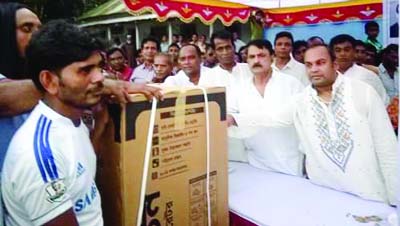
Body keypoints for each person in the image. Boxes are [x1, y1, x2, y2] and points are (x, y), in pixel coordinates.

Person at [229, 44, 397, 205]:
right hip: (324, 191)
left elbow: (387, 149)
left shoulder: (363, 92)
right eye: (308, 65)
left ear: (335, 64)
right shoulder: (302, 100)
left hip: (369, 192)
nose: (314, 69)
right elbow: (273, 117)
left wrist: (396, 199)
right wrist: (235, 119)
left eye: (321, 63)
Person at [2, 19, 105, 226]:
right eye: (85, 70)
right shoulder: (39, 156)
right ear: (49, 81)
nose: (99, 77)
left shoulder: (73, 121)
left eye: (99, 67)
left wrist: (101, 124)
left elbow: (79, 180)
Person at [227, 39, 305, 176]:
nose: (256, 60)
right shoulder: (239, 88)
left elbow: (283, 118)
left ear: (272, 58)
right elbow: (228, 119)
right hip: (254, 162)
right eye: (251, 57)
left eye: (261, 55)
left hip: (288, 163)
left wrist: (236, 119)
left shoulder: (291, 84)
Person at [330, 34, 388, 105]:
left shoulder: (368, 76)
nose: (342, 54)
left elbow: (383, 102)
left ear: (354, 52)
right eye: (338, 50)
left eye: (347, 50)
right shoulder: (327, 76)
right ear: (332, 53)